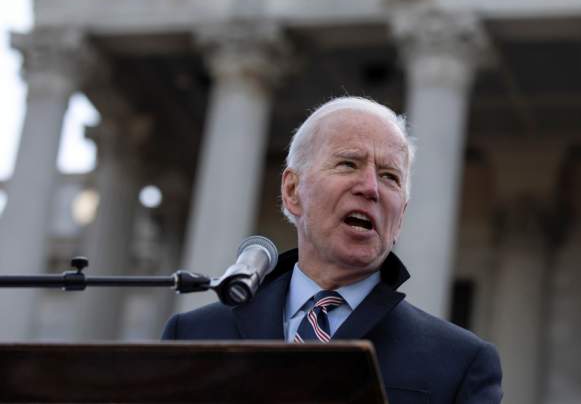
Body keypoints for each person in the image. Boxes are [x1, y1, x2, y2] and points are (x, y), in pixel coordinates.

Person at [162, 96, 502, 404]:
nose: (371, 188)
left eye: (389, 177)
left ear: (401, 217)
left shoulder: (460, 362)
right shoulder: (192, 336)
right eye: (349, 164)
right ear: (293, 191)